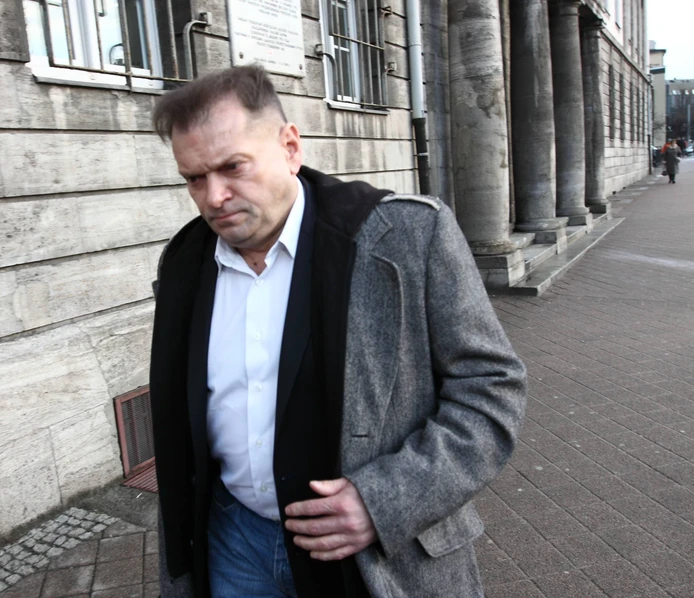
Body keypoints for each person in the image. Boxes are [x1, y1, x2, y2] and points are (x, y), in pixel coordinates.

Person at [148, 64, 527, 598]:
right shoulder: (184, 263)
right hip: (231, 541)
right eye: (193, 178)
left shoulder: (408, 235)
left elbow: (490, 388)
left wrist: (385, 500)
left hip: (377, 556)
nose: (213, 196)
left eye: (232, 167)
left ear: (290, 147)